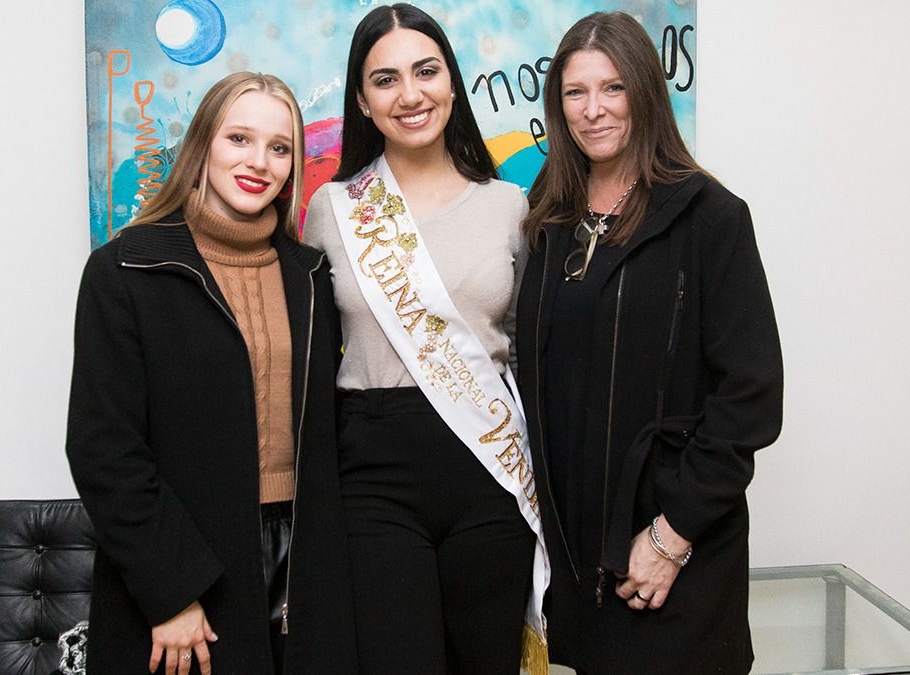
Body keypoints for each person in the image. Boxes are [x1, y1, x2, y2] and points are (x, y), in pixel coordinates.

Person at [515, 11, 784, 674]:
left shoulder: (711, 217)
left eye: (612, 88)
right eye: (575, 93)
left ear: (646, 92)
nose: (593, 109)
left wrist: (671, 536)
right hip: (577, 560)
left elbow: (751, 397)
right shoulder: (549, 218)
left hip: (672, 550)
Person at [66, 72, 356, 675]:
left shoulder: (311, 277)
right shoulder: (124, 270)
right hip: (191, 558)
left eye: (280, 148)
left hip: (307, 559)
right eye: (239, 139)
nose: (260, 162)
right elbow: (103, 450)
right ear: (203, 146)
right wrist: (169, 589)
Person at [302, 4, 549, 673]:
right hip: (373, 468)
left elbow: (529, 354)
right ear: (361, 99)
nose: (409, 94)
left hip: (486, 462)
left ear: (451, 81)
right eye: (385, 80)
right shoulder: (331, 212)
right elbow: (312, 362)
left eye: (426, 71)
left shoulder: (509, 206)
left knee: (487, 661)